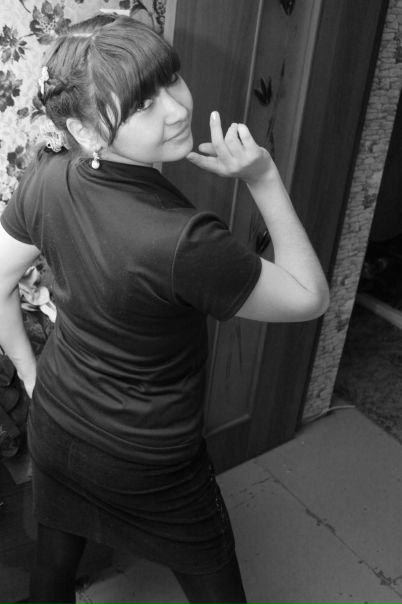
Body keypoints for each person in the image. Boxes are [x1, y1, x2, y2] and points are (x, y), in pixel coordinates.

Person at [0, 14, 329, 604]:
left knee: (54, 564)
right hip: (151, 461)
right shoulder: (184, 242)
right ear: (86, 131)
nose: (176, 109)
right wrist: (262, 177)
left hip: (58, 425)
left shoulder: (45, 178)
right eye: (141, 104)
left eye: (169, 78)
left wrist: (31, 375)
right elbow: (310, 298)